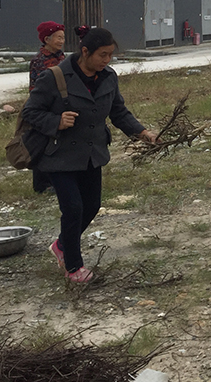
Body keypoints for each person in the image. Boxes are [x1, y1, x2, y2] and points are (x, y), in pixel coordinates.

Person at [23, 26, 156, 283]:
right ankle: (73, 267)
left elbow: (118, 112)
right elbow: (30, 112)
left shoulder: (107, 77)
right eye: (102, 55)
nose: (107, 60)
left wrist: (143, 132)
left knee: (92, 206)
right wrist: (56, 120)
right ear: (85, 51)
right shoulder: (55, 77)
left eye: (110, 55)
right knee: (73, 208)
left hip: (92, 154)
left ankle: (62, 245)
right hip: (59, 156)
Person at [28, 21, 66, 195]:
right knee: (43, 144)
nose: (61, 41)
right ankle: (41, 184)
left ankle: (56, 180)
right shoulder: (39, 61)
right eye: (58, 37)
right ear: (47, 39)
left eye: (63, 37)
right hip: (44, 107)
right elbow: (35, 88)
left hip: (60, 106)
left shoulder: (62, 58)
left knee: (58, 145)